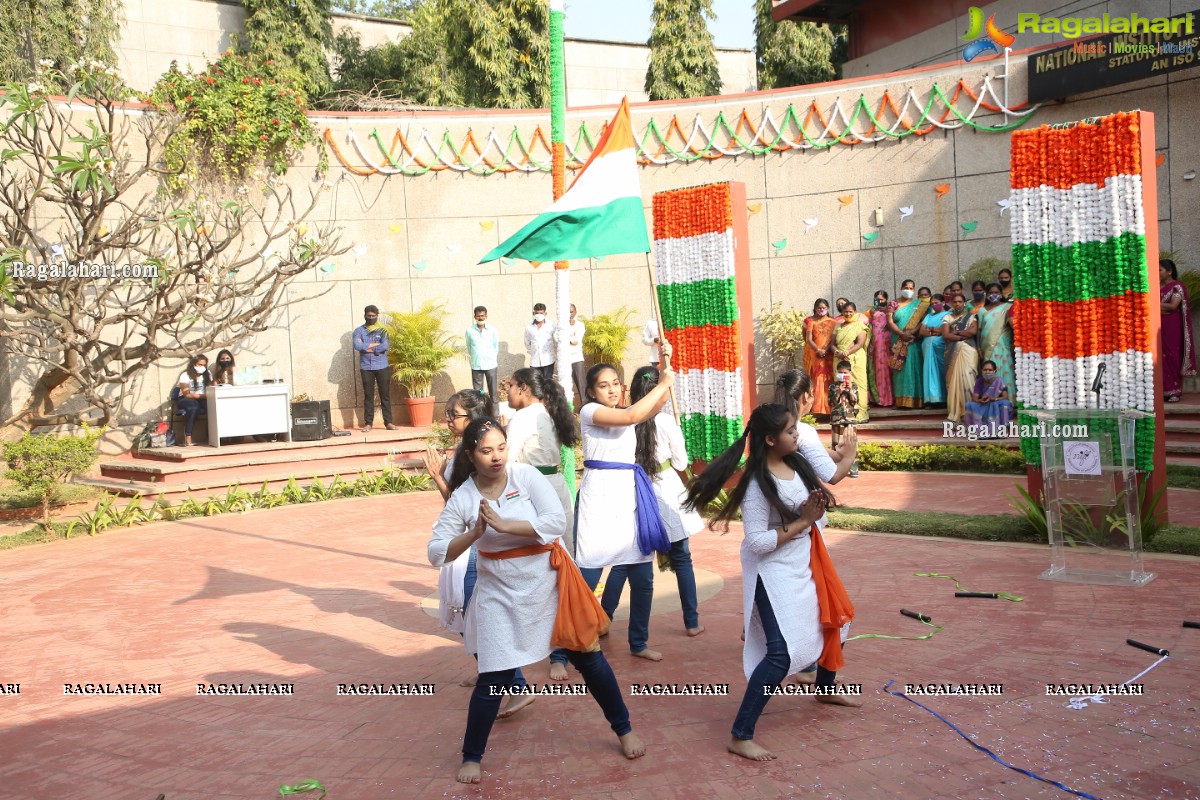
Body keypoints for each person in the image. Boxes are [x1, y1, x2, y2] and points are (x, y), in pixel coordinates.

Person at [428, 418, 646, 784]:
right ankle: (472, 756)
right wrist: (475, 533)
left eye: (501, 447)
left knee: (589, 660)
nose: (496, 457)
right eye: (485, 451)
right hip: (498, 593)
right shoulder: (465, 497)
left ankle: (624, 729)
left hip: (548, 585)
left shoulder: (525, 477)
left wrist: (504, 525)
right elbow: (436, 552)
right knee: (493, 678)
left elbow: (555, 520)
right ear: (470, 455)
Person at [685, 403, 859, 763]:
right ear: (769, 439)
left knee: (836, 621)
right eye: (790, 431)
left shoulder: (797, 463)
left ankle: (825, 688)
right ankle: (740, 734)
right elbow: (757, 542)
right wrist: (802, 522)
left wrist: (814, 511)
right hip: (772, 570)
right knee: (779, 655)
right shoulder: (756, 483)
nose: (797, 434)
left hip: (806, 559)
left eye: (795, 428)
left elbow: (820, 499)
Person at [423, 390, 533, 718]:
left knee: (476, 619)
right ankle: (490, 672)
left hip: (473, 549)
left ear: (471, 416)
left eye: (453, 414)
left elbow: (463, 509)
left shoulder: (476, 454)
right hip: (471, 546)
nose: (448, 420)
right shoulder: (471, 451)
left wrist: (438, 478)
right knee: (468, 619)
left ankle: (516, 686)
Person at [567, 361, 675, 671]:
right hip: (599, 501)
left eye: (616, 382)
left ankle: (638, 642)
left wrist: (664, 366)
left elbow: (657, 403)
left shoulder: (627, 410)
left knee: (643, 578)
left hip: (627, 498)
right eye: (604, 385)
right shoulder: (589, 413)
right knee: (587, 576)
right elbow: (633, 415)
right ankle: (565, 647)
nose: (612, 389)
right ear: (590, 391)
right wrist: (662, 382)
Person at [601, 367, 705, 638]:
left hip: (635, 491)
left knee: (624, 561)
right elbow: (681, 462)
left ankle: (602, 618)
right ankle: (692, 621)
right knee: (682, 557)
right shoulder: (666, 422)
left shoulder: (625, 419)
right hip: (666, 488)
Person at [504, 367, 577, 552]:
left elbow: (507, 460)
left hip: (535, 487)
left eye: (511, 386)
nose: (508, 391)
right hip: (557, 483)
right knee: (565, 546)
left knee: (541, 548)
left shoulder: (523, 416)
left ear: (523, 388)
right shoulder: (547, 412)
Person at [773, 369, 859, 487]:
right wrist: (850, 455)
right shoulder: (803, 431)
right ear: (806, 396)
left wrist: (838, 456)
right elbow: (833, 475)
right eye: (812, 392)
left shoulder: (772, 424)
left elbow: (806, 448)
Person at [354, 305, 397, 432]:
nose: (371, 318)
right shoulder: (359, 331)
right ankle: (368, 423)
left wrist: (367, 347)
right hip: (366, 367)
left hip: (382, 366)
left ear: (377, 316)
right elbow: (357, 346)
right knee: (368, 396)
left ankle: (388, 422)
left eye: (373, 316)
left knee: (385, 395)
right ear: (364, 315)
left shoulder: (383, 330)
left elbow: (385, 346)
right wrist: (374, 346)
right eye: (369, 315)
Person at [888, 279, 928, 409]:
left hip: (912, 340)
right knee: (900, 370)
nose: (908, 290)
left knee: (914, 367)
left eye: (911, 288)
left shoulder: (919, 304)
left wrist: (911, 332)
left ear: (914, 290)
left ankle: (916, 400)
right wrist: (902, 334)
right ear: (901, 288)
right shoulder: (893, 303)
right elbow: (890, 322)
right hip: (898, 340)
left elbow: (923, 321)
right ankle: (900, 401)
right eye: (906, 287)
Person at [941, 293, 980, 423]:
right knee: (954, 381)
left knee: (968, 377)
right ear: (952, 304)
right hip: (952, 352)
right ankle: (958, 411)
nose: (957, 304)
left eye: (960, 302)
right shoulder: (947, 317)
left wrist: (956, 333)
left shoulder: (971, 317)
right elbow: (945, 335)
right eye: (955, 302)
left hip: (969, 350)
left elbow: (972, 332)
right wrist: (962, 336)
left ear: (964, 303)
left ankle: (970, 412)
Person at [1160, 258, 1196, 402]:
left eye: (1160, 270)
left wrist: (1157, 305)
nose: (1158, 273)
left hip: (1172, 326)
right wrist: (1162, 307)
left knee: (1172, 355)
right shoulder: (1157, 288)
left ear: (1170, 272)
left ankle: (1174, 391)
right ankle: (1164, 390)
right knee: (1160, 357)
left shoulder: (1177, 286)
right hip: (1159, 324)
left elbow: (1173, 306)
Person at [832, 302, 869, 423]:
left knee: (858, 385)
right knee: (841, 385)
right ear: (842, 313)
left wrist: (847, 353)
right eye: (845, 312)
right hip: (839, 359)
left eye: (850, 312)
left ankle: (861, 413)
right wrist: (837, 352)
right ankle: (844, 412)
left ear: (855, 312)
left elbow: (859, 344)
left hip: (855, 358)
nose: (848, 314)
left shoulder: (860, 326)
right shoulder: (838, 326)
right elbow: (832, 344)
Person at [977, 283, 1015, 395]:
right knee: (989, 369)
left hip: (1002, 343)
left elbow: (1012, 326)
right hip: (986, 345)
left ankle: (1007, 399)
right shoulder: (982, 310)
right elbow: (979, 330)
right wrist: (978, 347)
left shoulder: (1007, 307)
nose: (994, 295)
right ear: (987, 295)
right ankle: (989, 397)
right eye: (991, 293)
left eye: (996, 292)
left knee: (1005, 368)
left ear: (1001, 294)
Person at [803, 299, 837, 416]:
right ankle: (819, 409)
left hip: (829, 353)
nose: (821, 310)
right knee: (818, 378)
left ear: (827, 308)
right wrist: (817, 349)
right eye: (819, 308)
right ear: (815, 309)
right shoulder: (811, 322)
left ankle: (830, 407)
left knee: (829, 377)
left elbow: (834, 339)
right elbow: (808, 339)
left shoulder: (833, 322)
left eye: (823, 308)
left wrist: (826, 350)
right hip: (816, 353)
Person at [964, 360, 1015, 437]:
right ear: (982, 371)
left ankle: (1002, 429)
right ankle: (977, 431)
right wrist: (980, 400)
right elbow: (974, 398)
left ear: (994, 371)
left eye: (990, 370)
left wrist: (993, 399)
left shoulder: (999, 381)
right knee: (969, 405)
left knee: (1005, 403)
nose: (987, 372)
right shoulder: (980, 381)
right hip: (983, 404)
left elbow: (1005, 397)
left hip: (995, 402)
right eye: (985, 370)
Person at [827, 361, 860, 478]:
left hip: (850, 418)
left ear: (850, 373)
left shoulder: (854, 385)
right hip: (837, 418)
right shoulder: (832, 386)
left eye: (845, 373)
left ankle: (854, 468)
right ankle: (835, 469)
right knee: (836, 444)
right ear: (837, 373)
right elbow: (831, 402)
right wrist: (838, 392)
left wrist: (850, 391)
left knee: (852, 444)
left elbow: (855, 401)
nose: (842, 375)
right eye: (840, 373)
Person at [920, 294, 951, 407]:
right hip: (927, 347)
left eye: (936, 302)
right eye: (932, 303)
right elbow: (921, 332)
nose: (934, 305)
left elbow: (944, 331)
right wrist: (935, 331)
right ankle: (932, 399)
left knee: (941, 371)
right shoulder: (929, 316)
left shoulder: (948, 315)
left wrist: (930, 330)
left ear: (943, 303)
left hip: (940, 347)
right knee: (929, 371)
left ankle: (943, 398)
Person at [466, 306, 500, 403]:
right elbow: (469, 347)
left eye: (482, 316)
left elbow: (495, 347)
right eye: (478, 316)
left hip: (491, 365)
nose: (480, 318)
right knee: (478, 393)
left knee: (493, 392)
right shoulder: (470, 331)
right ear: (474, 316)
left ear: (486, 316)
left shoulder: (492, 330)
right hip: (476, 365)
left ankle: (495, 415)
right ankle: (480, 415)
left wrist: (491, 358)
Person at [176, 354, 211, 447]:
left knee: (213, 408)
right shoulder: (185, 375)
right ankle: (188, 437)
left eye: (204, 365)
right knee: (193, 407)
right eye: (199, 365)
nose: (202, 367)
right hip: (186, 399)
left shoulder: (208, 374)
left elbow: (211, 389)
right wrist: (203, 396)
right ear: (193, 364)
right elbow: (187, 394)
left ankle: (213, 436)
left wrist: (205, 396)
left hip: (202, 398)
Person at [867, 290, 893, 407]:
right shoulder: (870, 312)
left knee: (886, 369)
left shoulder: (891, 310)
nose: (880, 301)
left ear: (886, 299)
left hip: (886, 343)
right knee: (875, 370)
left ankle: (887, 399)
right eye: (877, 299)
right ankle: (876, 398)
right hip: (875, 344)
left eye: (882, 299)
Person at [524, 303, 556, 381]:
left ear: (545, 313)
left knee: (548, 382)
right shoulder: (529, 327)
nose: (539, 315)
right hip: (535, 361)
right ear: (533, 313)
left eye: (541, 313)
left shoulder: (552, 325)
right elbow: (527, 342)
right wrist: (533, 351)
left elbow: (556, 339)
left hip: (548, 360)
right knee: (536, 383)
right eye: (536, 313)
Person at [565, 304, 587, 406]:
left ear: (575, 312)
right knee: (565, 384)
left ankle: (585, 405)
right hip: (564, 358)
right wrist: (570, 335)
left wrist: (566, 337)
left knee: (581, 383)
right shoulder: (561, 325)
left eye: (571, 311)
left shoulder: (580, 325)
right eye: (567, 311)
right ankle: (568, 407)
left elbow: (576, 340)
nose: (569, 314)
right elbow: (556, 338)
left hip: (576, 357)